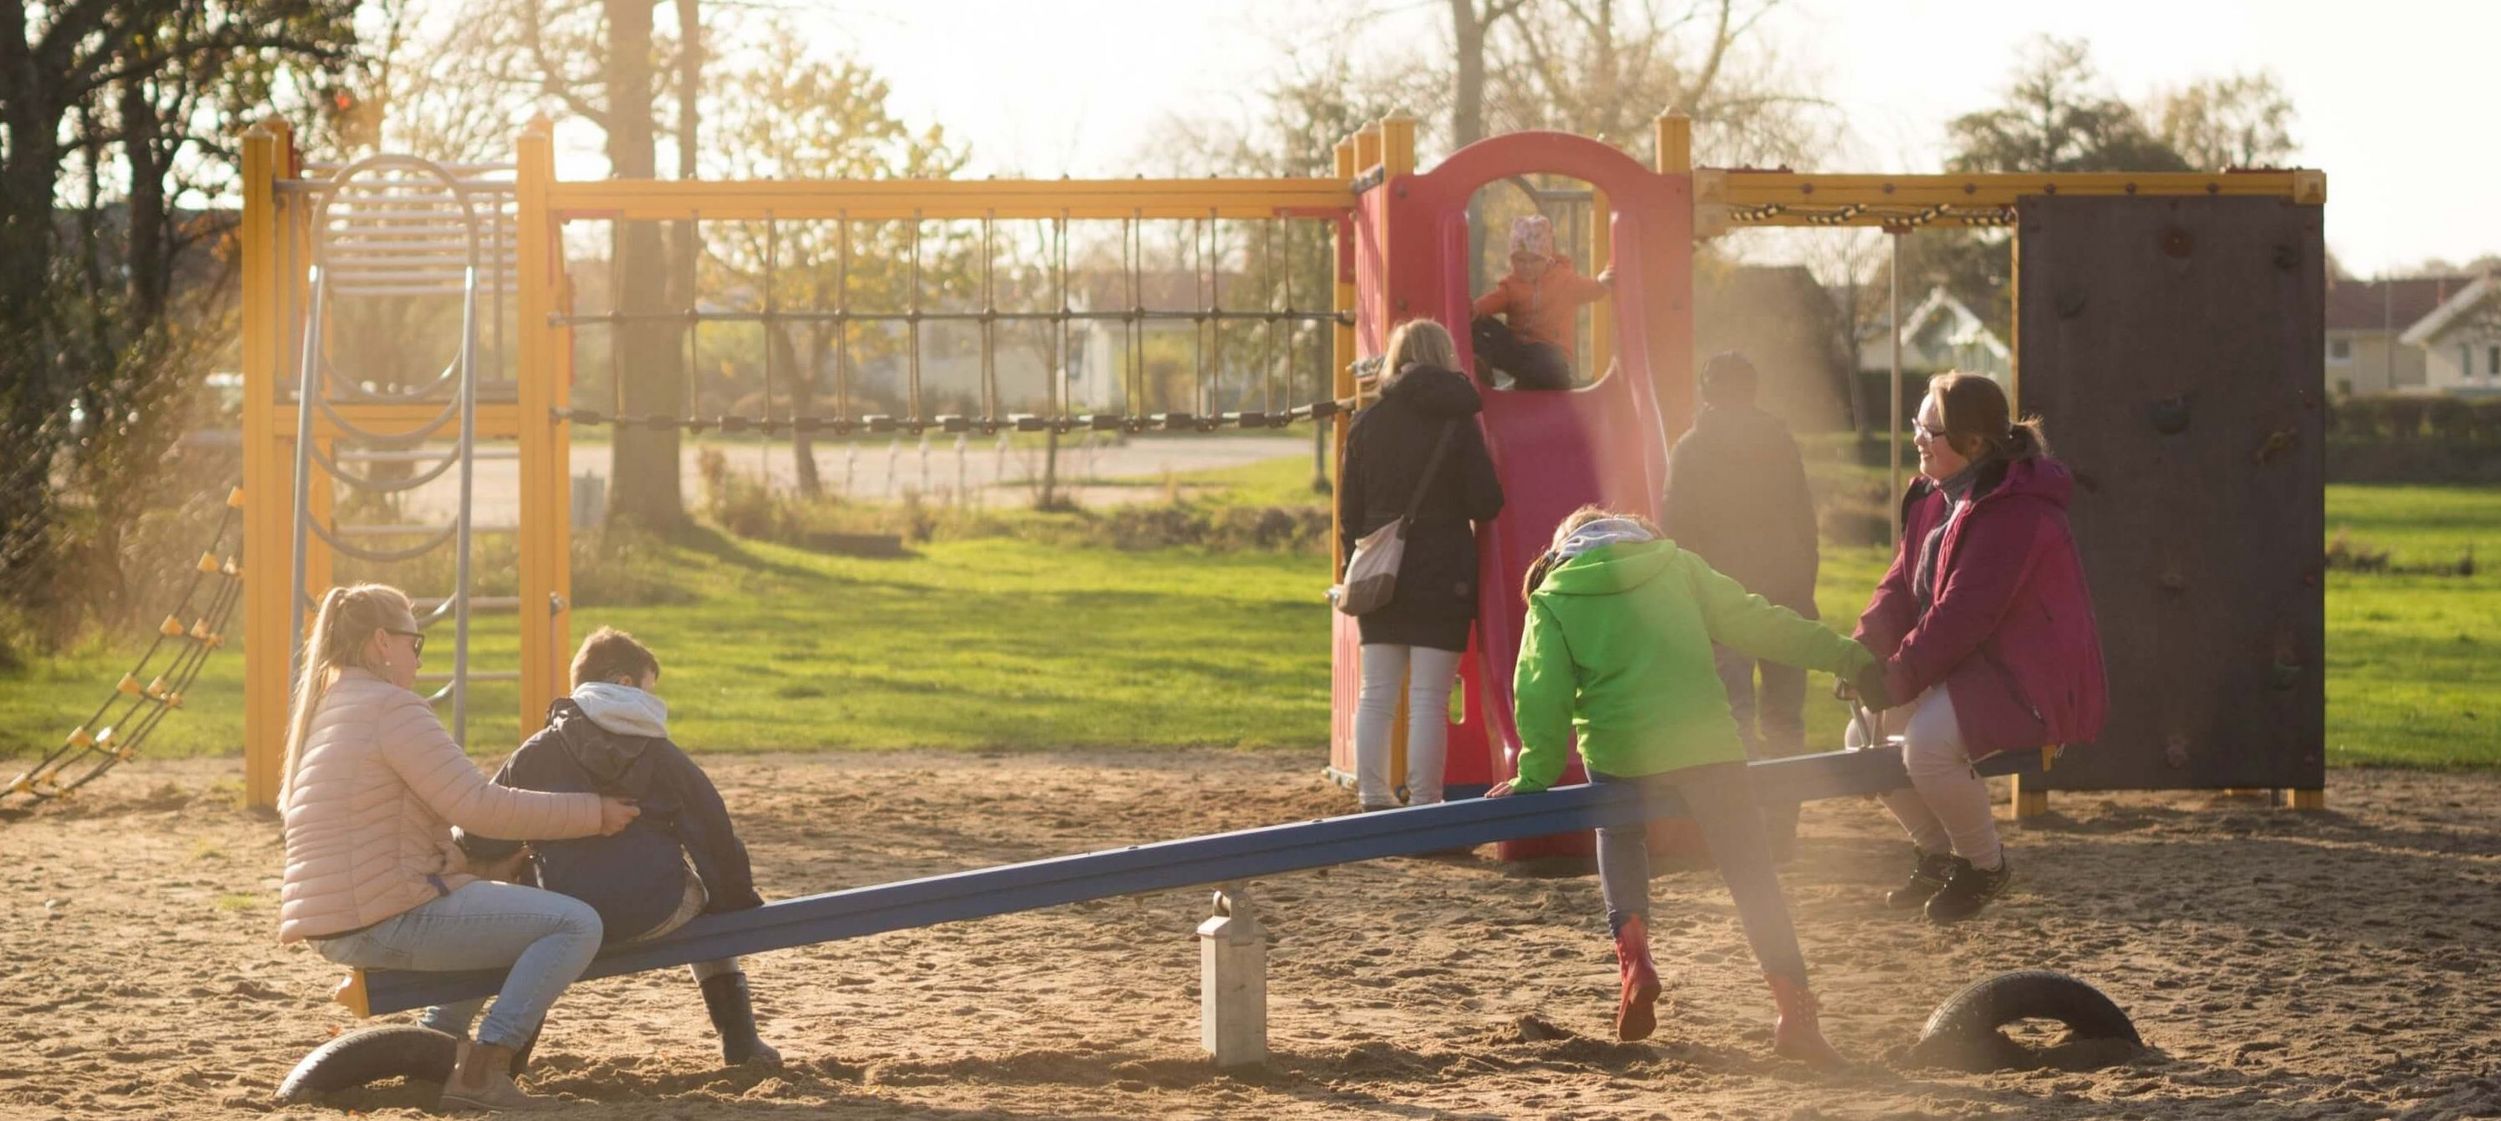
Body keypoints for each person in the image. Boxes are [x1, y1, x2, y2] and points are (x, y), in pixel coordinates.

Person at [1491, 507, 1889, 1062]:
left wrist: (1533, 773)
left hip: (1620, 752)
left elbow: (1540, 690)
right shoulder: (1675, 565)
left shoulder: (1554, 596)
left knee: (1620, 831)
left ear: (1564, 547)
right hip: (1704, 746)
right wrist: (1847, 657)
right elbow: (1760, 622)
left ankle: (1635, 960)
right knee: (1751, 873)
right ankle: (1796, 1016)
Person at [277, 584, 640, 1112]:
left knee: (497, 914)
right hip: (382, 914)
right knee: (574, 924)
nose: (418, 660)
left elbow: (381, 820)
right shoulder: (391, 708)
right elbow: (478, 804)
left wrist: (461, 859)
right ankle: (481, 1071)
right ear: (382, 641)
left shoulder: (332, 708)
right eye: (413, 643)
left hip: (344, 915)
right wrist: (594, 812)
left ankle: (438, 1046)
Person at [431, 627, 780, 1067]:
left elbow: (485, 830)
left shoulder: (536, 750)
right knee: (709, 900)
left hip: (567, 911)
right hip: (657, 908)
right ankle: (741, 1042)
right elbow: (711, 829)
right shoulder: (661, 753)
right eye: (650, 688)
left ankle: (511, 1059)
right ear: (625, 683)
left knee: (527, 932)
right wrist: (734, 902)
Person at [1852, 372, 2107, 923]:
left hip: (2027, 673)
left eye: (1930, 428)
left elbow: (1962, 616)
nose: (1917, 436)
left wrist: (1895, 676)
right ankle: (1937, 853)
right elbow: (1900, 585)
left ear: (1971, 444)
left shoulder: (2014, 512)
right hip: (1972, 663)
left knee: (1926, 745)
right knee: (1861, 736)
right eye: (1917, 423)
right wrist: (1861, 656)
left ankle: (1984, 866)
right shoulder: (1933, 496)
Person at [1339, 318, 1505, 811]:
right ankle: (1426, 801)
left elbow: (1350, 511)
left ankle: (1372, 795)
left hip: (1382, 569)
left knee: (1377, 694)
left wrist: (1360, 558)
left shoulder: (1368, 422)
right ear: (1444, 355)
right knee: (1430, 699)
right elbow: (1486, 501)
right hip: (1443, 572)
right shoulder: (1457, 420)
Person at [1661, 351, 1822, 858]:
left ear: (1707, 393)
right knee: (1785, 717)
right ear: (1753, 391)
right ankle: (1783, 829)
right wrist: (1803, 585)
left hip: (1722, 598)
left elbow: (1676, 528)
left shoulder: (1691, 449)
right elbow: (1804, 517)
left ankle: (1746, 826)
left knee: (1733, 714)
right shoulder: (1779, 442)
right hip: (1784, 592)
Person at [1470, 214, 1612, 390]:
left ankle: (1537, 380)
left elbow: (1591, 289)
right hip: (1519, 353)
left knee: (1547, 363)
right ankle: (1482, 369)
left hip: (1550, 356)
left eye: (1534, 260)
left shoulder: (1565, 281)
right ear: (1512, 260)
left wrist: (1603, 281)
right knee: (1479, 325)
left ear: (1547, 258)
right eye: (1520, 260)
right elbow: (1489, 303)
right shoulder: (1512, 286)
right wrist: (1473, 310)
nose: (1527, 266)